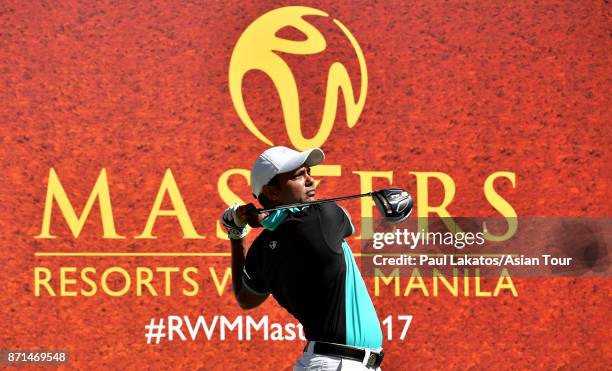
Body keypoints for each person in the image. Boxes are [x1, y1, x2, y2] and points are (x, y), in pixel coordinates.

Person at [221, 146, 384, 370]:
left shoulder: (261, 249)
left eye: (309, 172)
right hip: (336, 364)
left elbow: (245, 298)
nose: (310, 181)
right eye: (299, 175)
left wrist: (237, 235)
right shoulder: (324, 215)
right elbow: (332, 221)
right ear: (272, 192)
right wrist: (264, 219)